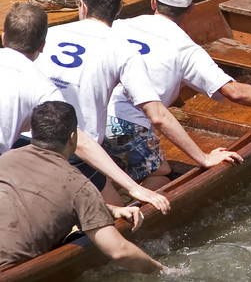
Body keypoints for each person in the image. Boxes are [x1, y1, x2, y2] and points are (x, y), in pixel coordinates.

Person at [38, 0, 242, 193]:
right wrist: (203, 158)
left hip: (45, 135)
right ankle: (133, 202)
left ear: (153, 2)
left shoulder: (54, 33)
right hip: (92, 137)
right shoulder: (129, 48)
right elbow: (230, 93)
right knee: (162, 174)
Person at [107, 0, 251, 188]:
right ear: (191, 8)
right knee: (160, 174)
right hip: (125, 126)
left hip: (87, 116)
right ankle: (133, 212)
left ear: (152, 3)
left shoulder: (117, 26)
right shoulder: (185, 48)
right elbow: (235, 92)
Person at [0, 3, 171, 213]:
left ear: (3, 38)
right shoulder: (42, 86)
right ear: (43, 46)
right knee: (115, 214)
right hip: (20, 157)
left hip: (14, 155)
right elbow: (79, 142)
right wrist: (133, 187)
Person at [0, 102, 165, 272]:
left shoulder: (6, 158)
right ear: (73, 138)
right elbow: (120, 252)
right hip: (10, 272)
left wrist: (109, 209)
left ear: (33, 132)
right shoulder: (78, 184)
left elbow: (36, 198)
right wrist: (164, 270)